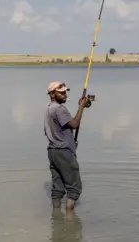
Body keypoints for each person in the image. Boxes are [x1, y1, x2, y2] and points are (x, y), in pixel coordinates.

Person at [44, 81, 87, 211]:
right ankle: (70, 220)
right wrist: (81, 107)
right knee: (74, 188)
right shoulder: (58, 109)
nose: (65, 95)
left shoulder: (48, 109)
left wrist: (69, 141)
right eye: (61, 92)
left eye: (65, 92)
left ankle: (56, 219)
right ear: (52, 94)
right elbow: (74, 124)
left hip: (53, 152)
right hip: (63, 152)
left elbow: (47, 131)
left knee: (57, 188)